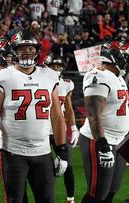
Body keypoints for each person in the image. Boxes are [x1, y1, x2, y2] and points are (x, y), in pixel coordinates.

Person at [0, 30, 68, 203]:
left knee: (47, 199)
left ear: (37, 50)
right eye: (22, 48)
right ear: (13, 51)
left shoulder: (49, 75)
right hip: (13, 152)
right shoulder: (3, 77)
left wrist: (62, 150)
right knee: (15, 200)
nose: (27, 52)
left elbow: (56, 116)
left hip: (43, 151)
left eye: (31, 48)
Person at [79, 43, 129, 203]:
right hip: (100, 140)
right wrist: (102, 144)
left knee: (112, 190)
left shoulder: (118, 77)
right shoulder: (99, 75)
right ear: (116, 58)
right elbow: (93, 114)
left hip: (120, 140)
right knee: (97, 193)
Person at [45, 54, 79, 203]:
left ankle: (70, 199)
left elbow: (69, 108)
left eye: (59, 67)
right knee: (44, 169)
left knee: (67, 166)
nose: (57, 69)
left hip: (59, 130)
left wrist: (73, 127)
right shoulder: (40, 82)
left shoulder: (66, 84)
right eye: (53, 66)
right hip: (43, 131)